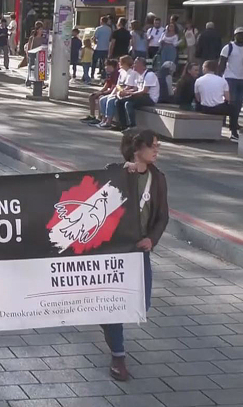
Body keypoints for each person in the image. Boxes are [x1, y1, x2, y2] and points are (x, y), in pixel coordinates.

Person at [101, 129, 168, 382]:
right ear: (136, 148)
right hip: (115, 251)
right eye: (152, 146)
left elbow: (163, 215)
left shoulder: (158, 178)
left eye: (157, 146)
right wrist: (119, 174)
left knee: (142, 303)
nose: (156, 150)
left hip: (140, 251)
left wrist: (152, 238)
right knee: (115, 304)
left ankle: (108, 323)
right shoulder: (115, 171)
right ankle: (118, 355)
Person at [116, 58, 159, 130]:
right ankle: (123, 125)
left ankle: (133, 126)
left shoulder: (149, 75)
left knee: (128, 103)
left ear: (143, 66)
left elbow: (144, 91)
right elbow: (136, 88)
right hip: (140, 96)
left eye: (136, 63)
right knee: (119, 101)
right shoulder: (138, 75)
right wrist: (125, 92)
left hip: (149, 98)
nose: (133, 65)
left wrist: (130, 94)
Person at [97, 56, 138, 130]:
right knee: (102, 99)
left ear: (125, 63)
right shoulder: (121, 72)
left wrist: (119, 93)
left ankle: (108, 122)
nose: (119, 63)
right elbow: (118, 85)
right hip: (119, 91)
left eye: (121, 62)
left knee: (110, 100)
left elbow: (128, 87)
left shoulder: (131, 73)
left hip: (125, 93)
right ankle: (103, 119)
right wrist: (113, 93)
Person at [219, 27, 243, 141]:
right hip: (230, 78)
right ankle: (233, 129)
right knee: (232, 103)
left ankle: (233, 123)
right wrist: (219, 78)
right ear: (235, 35)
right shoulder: (228, 47)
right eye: (239, 34)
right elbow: (222, 63)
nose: (241, 36)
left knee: (238, 104)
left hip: (241, 79)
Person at [82, 60, 119, 124]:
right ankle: (92, 115)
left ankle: (100, 117)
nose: (106, 67)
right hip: (108, 92)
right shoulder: (109, 74)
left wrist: (101, 93)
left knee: (100, 98)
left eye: (108, 66)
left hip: (112, 93)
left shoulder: (115, 74)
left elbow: (113, 89)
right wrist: (98, 92)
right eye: (105, 66)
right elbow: (105, 86)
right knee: (92, 96)